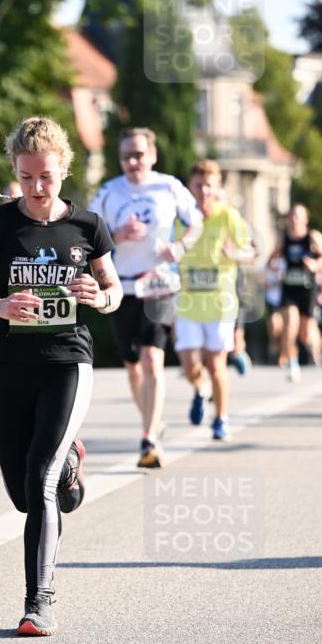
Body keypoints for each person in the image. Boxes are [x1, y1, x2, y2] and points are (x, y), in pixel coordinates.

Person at [0, 116, 122, 636]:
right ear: (15, 174)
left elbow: (113, 290)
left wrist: (101, 297)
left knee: (37, 481)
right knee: (23, 492)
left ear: (63, 170)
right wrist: (0, 305)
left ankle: (37, 603)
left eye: (46, 177)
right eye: (26, 178)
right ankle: (70, 465)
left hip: (68, 360)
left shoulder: (88, 226)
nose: (37, 189)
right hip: (10, 365)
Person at [88, 127, 202, 467]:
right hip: (121, 286)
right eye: (126, 156)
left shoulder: (168, 186)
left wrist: (180, 247)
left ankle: (149, 438)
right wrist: (117, 234)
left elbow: (195, 223)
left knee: (153, 359)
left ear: (152, 155)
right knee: (133, 365)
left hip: (160, 283)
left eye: (139, 155)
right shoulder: (109, 192)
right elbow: (88, 235)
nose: (133, 162)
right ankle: (152, 422)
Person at [174, 161, 255, 441]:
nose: (204, 191)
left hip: (221, 304)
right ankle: (200, 389)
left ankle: (220, 418)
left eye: (209, 185)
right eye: (198, 185)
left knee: (217, 364)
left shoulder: (228, 216)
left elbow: (251, 253)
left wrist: (236, 253)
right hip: (187, 303)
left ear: (217, 187)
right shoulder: (180, 219)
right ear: (190, 187)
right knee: (189, 366)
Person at [268, 205, 322, 380]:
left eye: (298, 216)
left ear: (306, 219)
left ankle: (315, 352)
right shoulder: (283, 239)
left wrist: (316, 264)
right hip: (289, 289)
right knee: (290, 323)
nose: (294, 219)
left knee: (305, 333)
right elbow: (271, 260)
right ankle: (292, 362)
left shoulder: (312, 237)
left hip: (307, 290)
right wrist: (274, 268)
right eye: (291, 216)